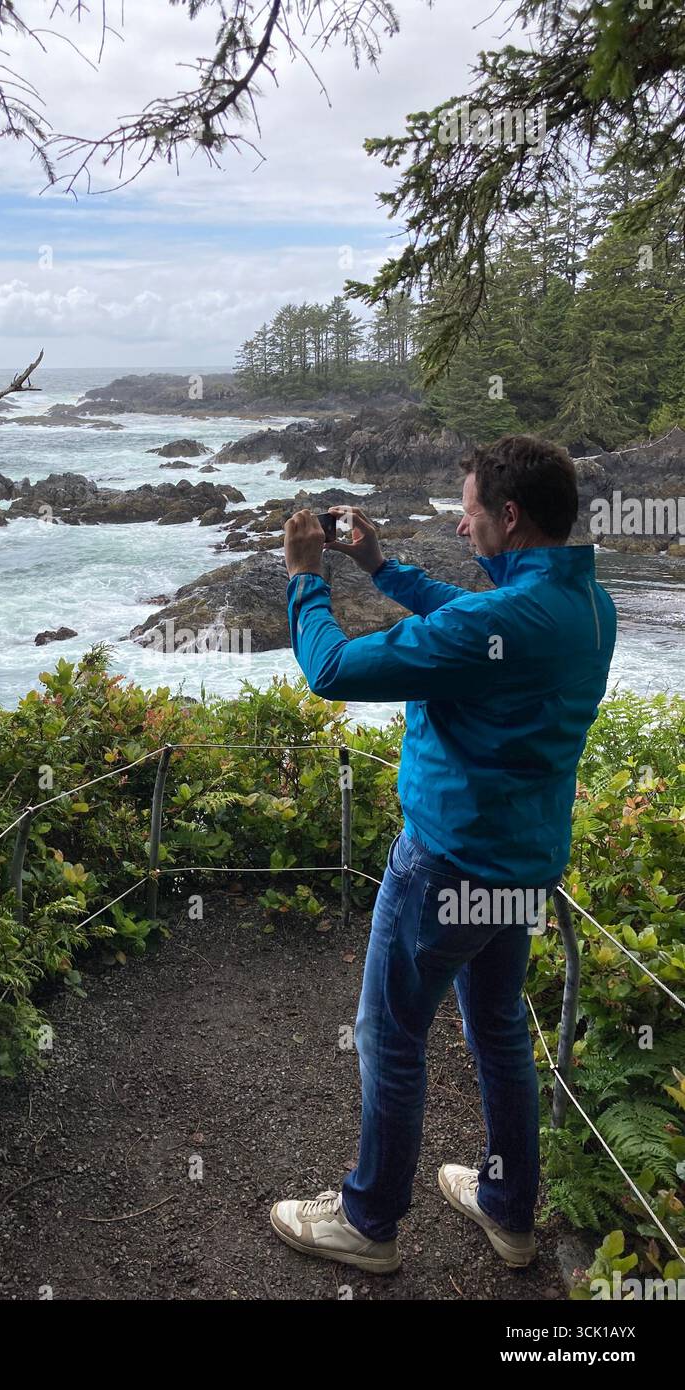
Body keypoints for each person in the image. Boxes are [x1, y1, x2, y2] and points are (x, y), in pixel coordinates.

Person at [270, 435, 617, 1273]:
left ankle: (368, 1222)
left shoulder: (491, 623)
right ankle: (507, 1208)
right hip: (522, 864)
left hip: (445, 865)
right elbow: (475, 621)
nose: (461, 527)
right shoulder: (587, 604)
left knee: (389, 1035)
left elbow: (332, 669)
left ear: (508, 515)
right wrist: (382, 569)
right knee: (497, 1033)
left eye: (468, 513)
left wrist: (305, 578)